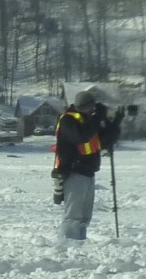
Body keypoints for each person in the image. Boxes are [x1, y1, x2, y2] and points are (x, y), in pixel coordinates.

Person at [52, 90, 124, 240]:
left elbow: (104, 141)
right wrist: (97, 118)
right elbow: (81, 136)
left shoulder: (89, 122)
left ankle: (79, 244)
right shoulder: (68, 120)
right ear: (83, 107)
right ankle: (67, 245)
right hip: (74, 172)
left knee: (84, 216)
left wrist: (116, 123)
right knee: (73, 216)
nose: (93, 110)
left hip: (88, 173)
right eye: (91, 108)